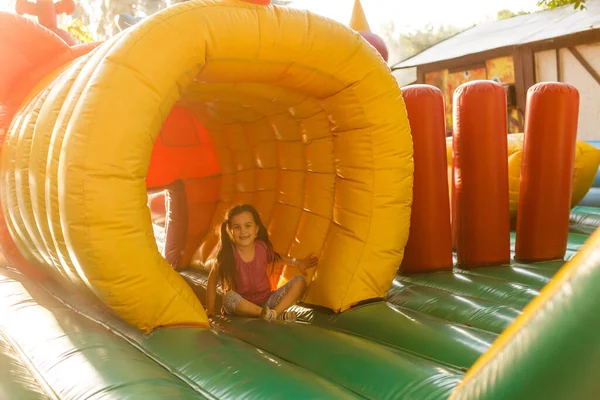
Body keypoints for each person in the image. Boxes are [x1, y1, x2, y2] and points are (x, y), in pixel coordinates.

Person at [206, 204, 318, 321]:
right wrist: (210, 309)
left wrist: (297, 262)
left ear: (256, 230)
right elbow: (212, 280)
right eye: (237, 227)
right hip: (242, 307)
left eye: (247, 226)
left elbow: (277, 258)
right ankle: (270, 315)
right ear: (230, 231)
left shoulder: (262, 248)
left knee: (300, 282)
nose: (243, 231)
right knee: (229, 297)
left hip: (267, 302)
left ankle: (274, 314)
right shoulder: (227, 254)